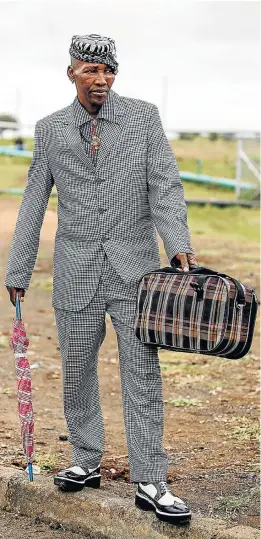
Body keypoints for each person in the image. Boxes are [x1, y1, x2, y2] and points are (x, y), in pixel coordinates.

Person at [5, 33, 198, 524]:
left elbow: (165, 186)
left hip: (137, 273)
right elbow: (33, 201)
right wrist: (18, 267)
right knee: (76, 369)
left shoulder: (143, 117)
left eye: (109, 71)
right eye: (91, 71)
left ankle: (151, 479)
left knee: (142, 373)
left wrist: (178, 244)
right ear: (71, 72)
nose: (102, 80)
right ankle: (86, 460)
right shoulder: (50, 130)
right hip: (76, 272)